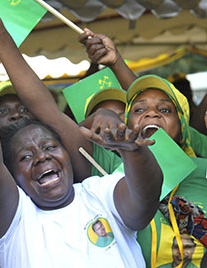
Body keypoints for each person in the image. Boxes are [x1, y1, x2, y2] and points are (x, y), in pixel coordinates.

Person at [0, 11, 163, 268]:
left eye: (50, 147)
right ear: (12, 176)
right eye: (26, 156)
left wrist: (133, 151)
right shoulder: (13, 221)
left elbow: (147, 194)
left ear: (67, 153)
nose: (42, 156)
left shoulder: (100, 193)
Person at [79, 29, 207, 267]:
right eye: (138, 111)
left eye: (166, 111)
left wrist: (116, 62)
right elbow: (64, 130)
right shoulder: (107, 170)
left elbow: (150, 108)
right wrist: (96, 118)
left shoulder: (202, 167)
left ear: (183, 129)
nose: (152, 114)